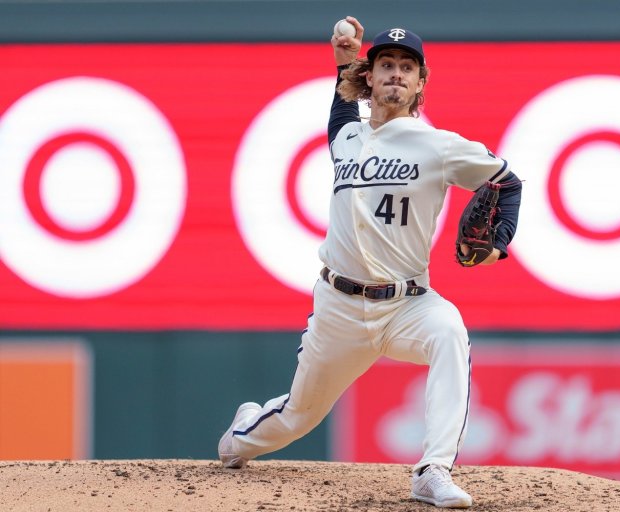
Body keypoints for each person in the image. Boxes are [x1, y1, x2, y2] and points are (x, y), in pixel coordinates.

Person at [218, 16, 522, 509]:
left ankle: (433, 469)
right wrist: (343, 59)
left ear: (420, 82)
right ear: (371, 77)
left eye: (407, 67)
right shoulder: (347, 139)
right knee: (296, 418)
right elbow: (340, 112)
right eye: (386, 65)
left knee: (449, 332)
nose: (396, 74)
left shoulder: (439, 145)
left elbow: (507, 181)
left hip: (408, 304)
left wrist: (498, 241)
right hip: (338, 306)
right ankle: (242, 434)